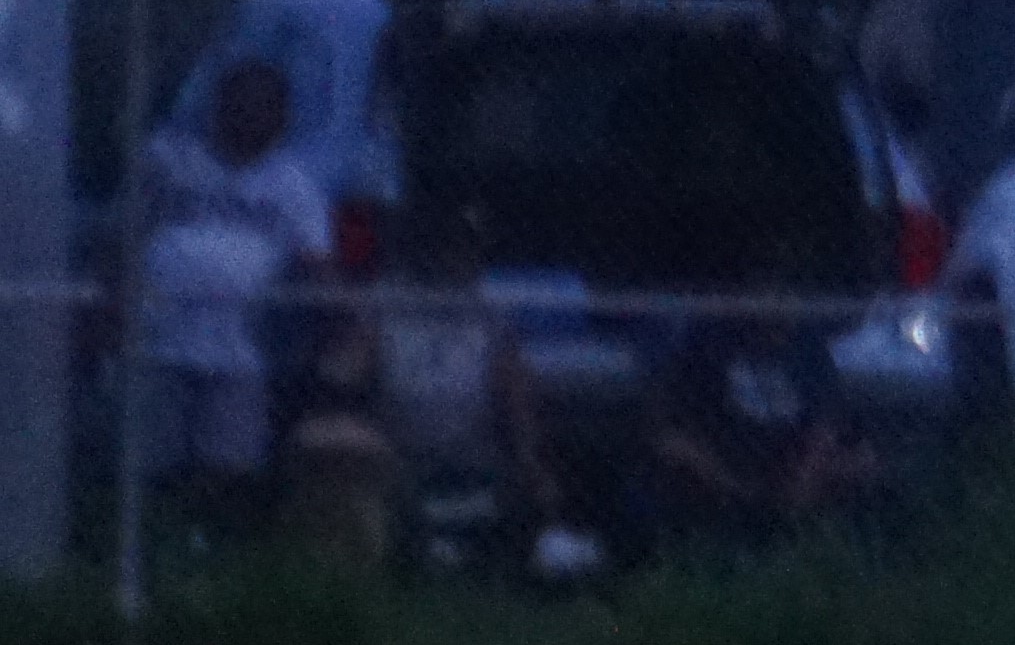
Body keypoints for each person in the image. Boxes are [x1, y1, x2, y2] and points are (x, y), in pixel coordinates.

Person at [288, 194, 598, 579]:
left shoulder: (493, 314)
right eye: (446, 245)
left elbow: (517, 398)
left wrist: (531, 461)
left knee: (524, 499)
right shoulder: (380, 307)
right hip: (395, 458)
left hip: (475, 457)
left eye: (465, 247)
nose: (456, 257)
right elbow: (338, 384)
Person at [138, 56, 337, 529]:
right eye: (244, 105)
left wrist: (342, 318)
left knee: (229, 467)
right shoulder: (167, 161)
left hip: (241, 350)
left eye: (268, 108)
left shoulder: (294, 186)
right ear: (222, 106)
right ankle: (156, 549)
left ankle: (210, 551)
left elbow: (317, 264)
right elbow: (121, 238)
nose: (255, 117)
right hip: (157, 340)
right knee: (152, 463)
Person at [641, 241, 881, 548]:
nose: (778, 302)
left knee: (863, 462)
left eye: (785, 294)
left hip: (792, 461)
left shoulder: (808, 349)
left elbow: (827, 420)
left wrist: (807, 473)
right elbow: (677, 426)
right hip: (729, 460)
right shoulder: (712, 345)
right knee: (675, 459)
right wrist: (727, 479)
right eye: (768, 292)